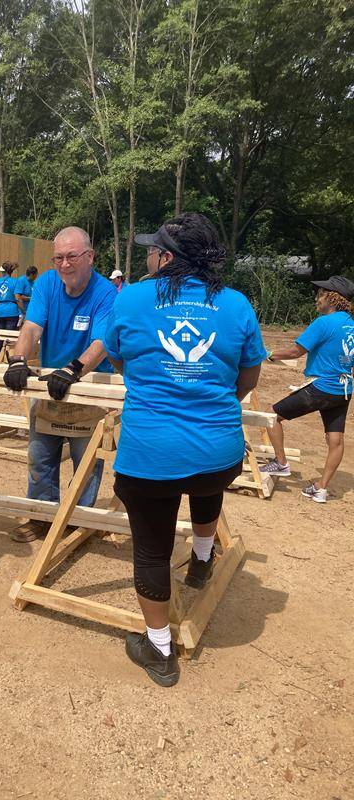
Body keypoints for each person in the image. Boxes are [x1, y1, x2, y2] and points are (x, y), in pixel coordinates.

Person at [104, 212, 266, 686]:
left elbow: (118, 358)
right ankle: (199, 560)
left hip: (151, 455)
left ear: (167, 257)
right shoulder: (235, 305)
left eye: (152, 249)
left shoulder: (131, 298)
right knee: (203, 486)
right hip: (219, 454)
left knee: (152, 550)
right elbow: (248, 376)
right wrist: (207, 401)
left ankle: (158, 650)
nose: (147, 255)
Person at [2, 226, 117, 542]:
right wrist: (19, 360)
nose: (65, 265)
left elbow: (101, 342)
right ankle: (41, 516)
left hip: (86, 383)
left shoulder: (106, 293)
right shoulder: (47, 284)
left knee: (86, 461)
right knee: (41, 454)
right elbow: (32, 327)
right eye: (58, 258)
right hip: (51, 383)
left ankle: (77, 519)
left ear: (90, 257)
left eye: (72, 257)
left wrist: (73, 369)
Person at [261, 276, 354, 502]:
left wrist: (268, 354)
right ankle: (321, 488)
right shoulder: (351, 324)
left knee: (272, 417)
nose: (316, 299)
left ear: (331, 298)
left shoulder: (324, 323)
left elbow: (295, 352)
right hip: (343, 389)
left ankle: (281, 463)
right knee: (336, 439)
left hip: (321, 387)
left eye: (320, 294)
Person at [0, 261, 21, 357]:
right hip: (12, 311)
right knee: (10, 337)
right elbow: (18, 298)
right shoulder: (15, 282)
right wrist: (23, 311)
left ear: (3, 272)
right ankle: (9, 357)